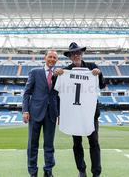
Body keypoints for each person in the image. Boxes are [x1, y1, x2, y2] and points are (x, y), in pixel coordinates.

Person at [54, 42, 105, 177]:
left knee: (94, 142)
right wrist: (56, 75)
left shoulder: (92, 67)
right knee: (77, 143)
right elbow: (58, 92)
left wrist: (98, 74)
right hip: (73, 114)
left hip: (90, 114)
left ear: (81, 54)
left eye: (78, 53)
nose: (76, 55)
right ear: (70, 57)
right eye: (73, 54)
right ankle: (81, 170)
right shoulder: (65, 71)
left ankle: (96, 172)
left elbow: (102, 85)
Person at [22, 50, 59, 177]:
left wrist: (59, 113)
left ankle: (48, 170)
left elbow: (60, 96)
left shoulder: (59, 74)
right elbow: (27, 93)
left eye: (54, 57)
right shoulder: (34, 72)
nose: (52, 59)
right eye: (50, 56)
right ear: (45, 58)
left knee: (49, 145)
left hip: (51, 114)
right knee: (32, 144)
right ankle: (33, 171)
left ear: (56, 60)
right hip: (35, 112)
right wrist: (25, 111)